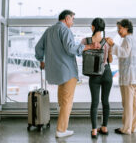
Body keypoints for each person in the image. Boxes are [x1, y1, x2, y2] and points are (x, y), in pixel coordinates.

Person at [35, 10, 100, 138]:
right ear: (66, 18)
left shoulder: (49, 30)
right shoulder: (65, 30)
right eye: (73, 19)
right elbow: (71, 48)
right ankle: (61, 130)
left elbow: (38, 48)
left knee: (62, 101)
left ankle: (62, 127)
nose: (73, 22)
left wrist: (41, 59)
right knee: (67, 101)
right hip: (67, 71)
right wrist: (89, 47)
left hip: (57, 72)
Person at [106, 19, 136, 135]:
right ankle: (133, 127)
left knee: (127, 104)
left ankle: (126, 129)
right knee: (135, 104)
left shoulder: (127, 39)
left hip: (128, 77)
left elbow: (124, 53)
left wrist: (112, 44)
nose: (118, 31)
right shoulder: (134, 40)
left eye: (120, 28)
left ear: (127, 28)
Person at [80, 18, 113, 139]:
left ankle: (94, 130)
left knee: (94, 103)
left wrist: (89, 47)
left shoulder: (85, 40)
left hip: (94, 75)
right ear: (103, 28)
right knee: (105, 102)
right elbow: (110, 60)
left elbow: (78, 52)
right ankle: (104, 127)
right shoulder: (107, 42)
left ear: (93, 27)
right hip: (107, 73)